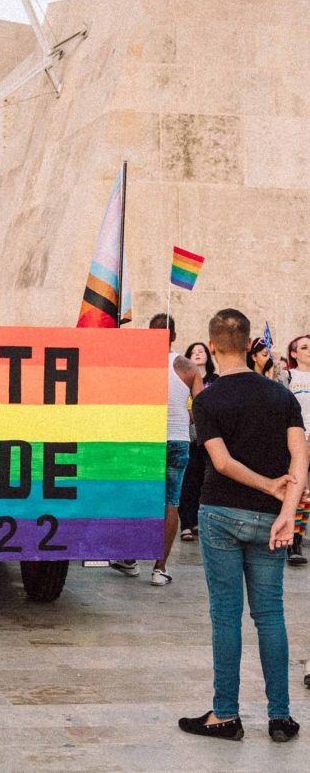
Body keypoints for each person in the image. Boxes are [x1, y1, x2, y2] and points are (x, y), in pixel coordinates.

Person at [179, 308, 308, 742]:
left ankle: (226, 714)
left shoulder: (208, 399)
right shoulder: (281, 395)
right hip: (271, 520)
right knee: (271, 616)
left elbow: (221, 462)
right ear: (249, 342)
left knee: (226, 617)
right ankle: (281, 716)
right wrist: (287, 508)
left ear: (212, 347)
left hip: (220, 514)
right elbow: (301, 458)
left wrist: (269, 485)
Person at [111, 313, 202, 583]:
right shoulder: (187, 366)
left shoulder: (139, 364)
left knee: (139, 498)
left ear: (150, 333)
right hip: (177, 440)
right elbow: (200, 408)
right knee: (171, 502)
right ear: (174, 335)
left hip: (145, 440)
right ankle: (159, 568)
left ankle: (130, 558)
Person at [179, 342, 218, 541]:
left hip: (210, 436)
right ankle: (186, 523)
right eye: (193, 352)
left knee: (206, 480)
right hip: (188, 434)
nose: (197, 354)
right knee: (187, 480)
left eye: (201, 351)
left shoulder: (216, 380)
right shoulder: (183, 378)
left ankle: (199, 522)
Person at [283, 333, 310, 566]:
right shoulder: (288, 376)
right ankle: (293, 540)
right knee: (298, 487)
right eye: (304, 347)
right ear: (293, 353)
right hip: (297, 438)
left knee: (307, 493)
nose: (309, 350)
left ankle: (299, 534)